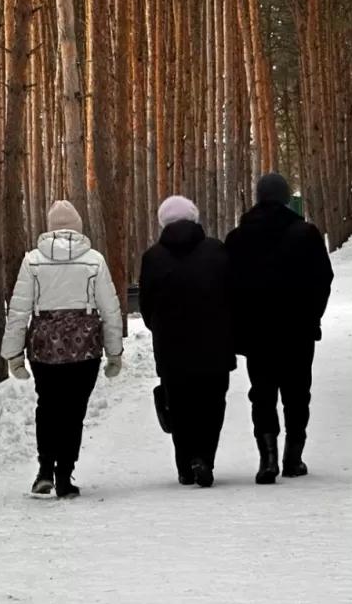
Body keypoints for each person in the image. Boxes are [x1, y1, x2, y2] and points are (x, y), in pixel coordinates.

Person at [2, 200, 123, 498]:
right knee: (74, 410)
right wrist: (114, 352)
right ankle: (65, 475)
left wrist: (13, 353)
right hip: (85, 349)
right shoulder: (94, 260)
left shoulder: (32, 261)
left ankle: (44, 470)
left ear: (50, 228)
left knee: (48, 406)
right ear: (78, 228)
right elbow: (110, 310)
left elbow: (18, 311)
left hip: (45, 348)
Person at [226, 174, 334, 485]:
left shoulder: (237, 239)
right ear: (286, 198)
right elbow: (323, 279)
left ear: (259, 198)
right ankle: (293, 457)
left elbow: (227, 286)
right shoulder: (306, 234)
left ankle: (268, 458)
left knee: (262, 394)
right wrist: (312, 316)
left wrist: (238, 323)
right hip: (297, 329)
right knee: (297, 393)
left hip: (256, 332)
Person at [140, 196, 235, 488]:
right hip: (215, 344)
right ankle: (204, 458)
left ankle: (185, 465)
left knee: (179, 406)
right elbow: (232, 294)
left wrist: (158, 327)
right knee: (212, 404)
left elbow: (146, 305)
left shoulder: (153, 257)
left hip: (171, 347)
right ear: (195, 219)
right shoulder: (217, 250)